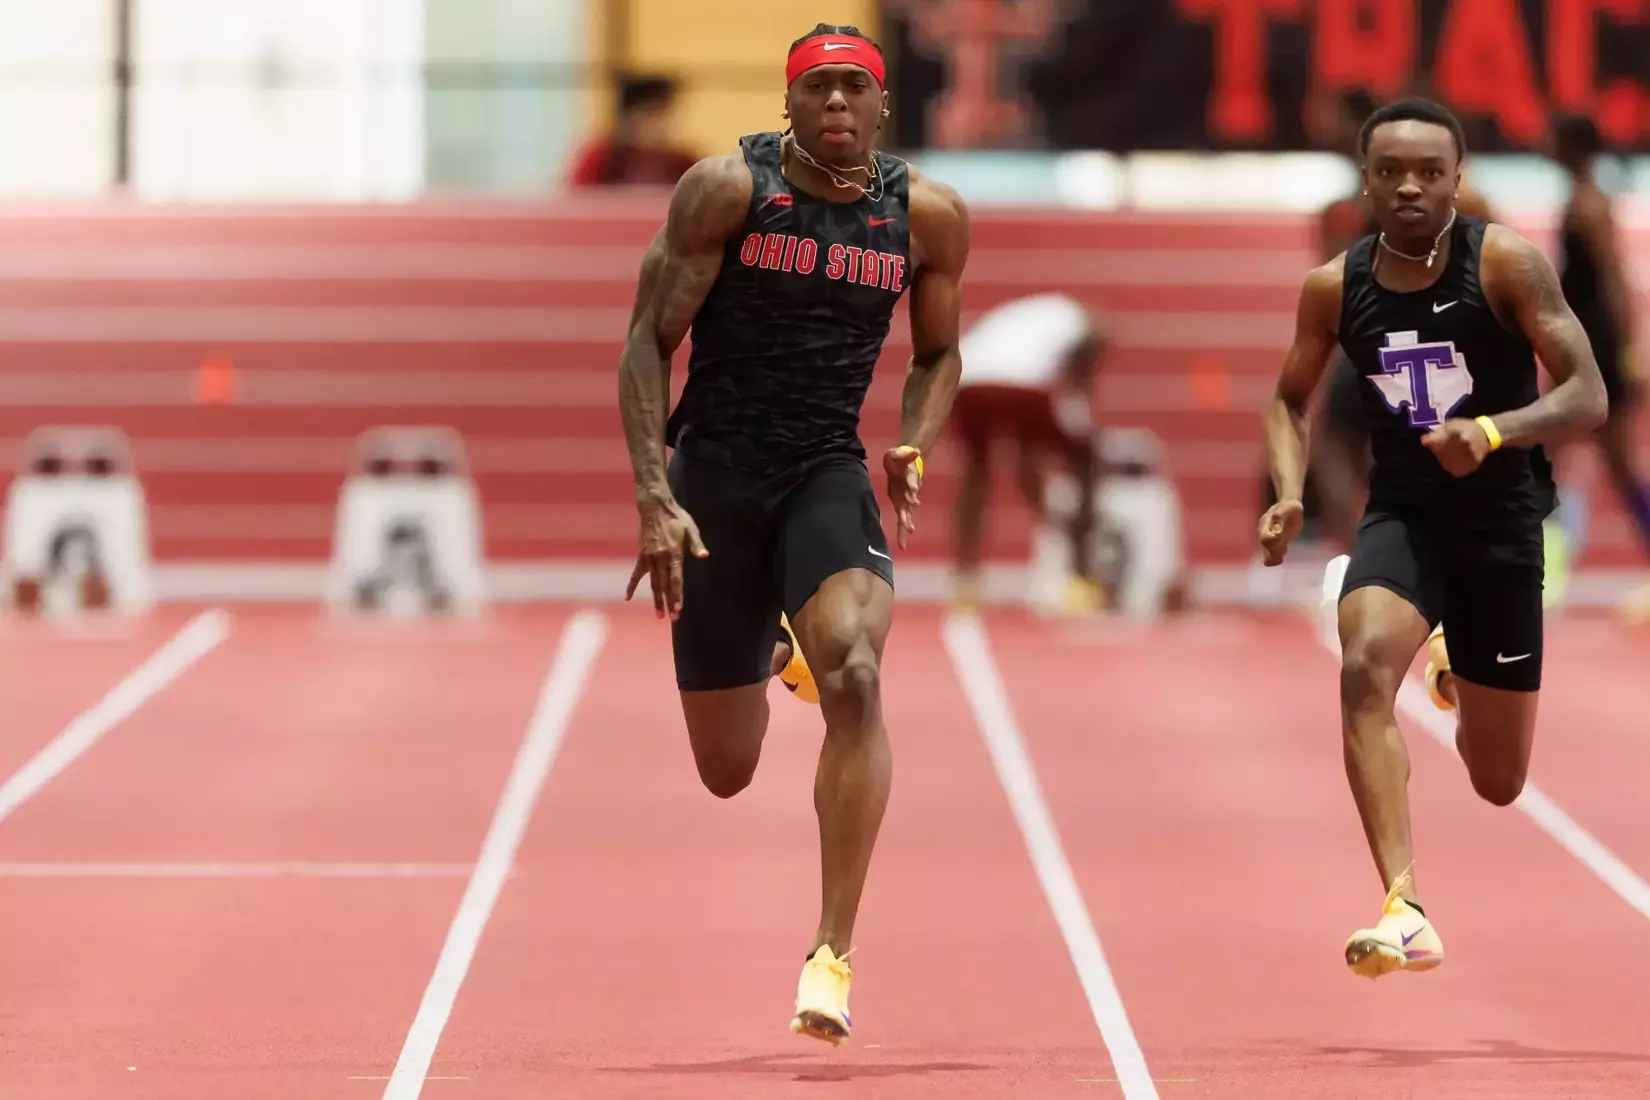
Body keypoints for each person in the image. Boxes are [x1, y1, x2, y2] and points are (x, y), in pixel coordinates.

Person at [615, 24, 970, 1043]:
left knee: (856, 669)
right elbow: (646, 342)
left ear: (884, 104)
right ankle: (771, 640)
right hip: (715, 476)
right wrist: (653, 491)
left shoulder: (927, 217)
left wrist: (912, 441)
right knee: (726, 769)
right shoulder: (728, 191)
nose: (838, 108)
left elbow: (940, 354)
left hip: (824, 466)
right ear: (790, 104)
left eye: (855, 89)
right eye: (818, 90)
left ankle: (831, 950)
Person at [1257, 97, 1608, 980]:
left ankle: (1451, 653)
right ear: (1366, 178)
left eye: (1428, 172)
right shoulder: (1336, 285)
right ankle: (1403, 905)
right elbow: (1286, 400)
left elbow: (1588, 395)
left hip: (1500, 529)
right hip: (1404, 516)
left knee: (1498, 781)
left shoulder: (1507, 265)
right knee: (1364, 662)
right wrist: (1291, 493)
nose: (1409, 187)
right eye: (1391, 172)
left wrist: (1493, 432)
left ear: (1457, 177)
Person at [948, 292, 1107, 612]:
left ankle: (966, 581)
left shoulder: (1035, 315)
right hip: (1022, 383)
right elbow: (1077, 387)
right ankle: (1081, 577)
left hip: (966, 379)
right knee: (1087, 459)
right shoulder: (1085, 328)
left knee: (976, 474)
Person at [1550, 114, 1649, 614]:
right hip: (1585, 346)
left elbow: (1614, 280)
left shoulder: (1589, 206)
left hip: (1596, 350)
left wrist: (1631, 352)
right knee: (1563, 460)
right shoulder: (1583, 200)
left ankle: (1534, 569)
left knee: (1554, 457)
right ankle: (1538, 568)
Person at [568, 75, 699, 187]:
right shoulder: (601, 158)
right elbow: (578, 200)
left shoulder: (681, 162)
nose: (659, 124)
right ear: (627, 117)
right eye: (650, 114)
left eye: (664, 115)